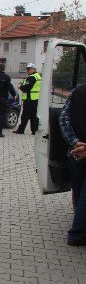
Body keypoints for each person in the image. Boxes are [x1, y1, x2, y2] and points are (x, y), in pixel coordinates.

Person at [59, 83, 86, 246]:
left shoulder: (78, 91)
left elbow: (63, 118)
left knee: (77, 189)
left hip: (75, 153)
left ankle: (78, 226)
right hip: (80, 151)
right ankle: (77, 233)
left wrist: (74, 143)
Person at [14, 63, 42, 135]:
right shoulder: (38, 76)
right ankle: (34, 130)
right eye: (27, 69)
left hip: (29, 99)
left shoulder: (32, 77)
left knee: (25, 116)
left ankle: (21, 130)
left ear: (33, 69)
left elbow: (27, 87)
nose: (27, 70)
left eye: (29, 69)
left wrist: (21, 87)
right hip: (35, 99)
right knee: (33, 116)